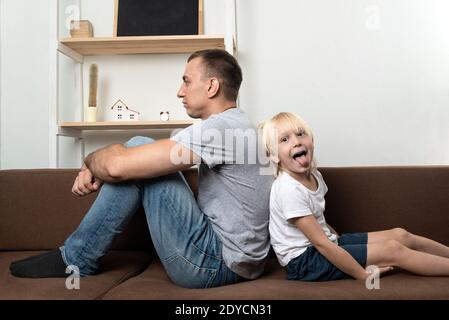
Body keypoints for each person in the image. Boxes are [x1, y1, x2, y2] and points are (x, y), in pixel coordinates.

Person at [10, 49, 273, 288]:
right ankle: (76, 256)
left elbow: (116, 167)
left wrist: (90, 160)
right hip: (236, 261)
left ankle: (76, 258)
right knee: (139, 154)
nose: (180, 91)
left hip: (214, 264)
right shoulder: (238, 124)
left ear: (212, 86)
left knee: (138, 148)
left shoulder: (221, 129)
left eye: (187, 81)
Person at [260, 111, 449, 281]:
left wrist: (345, 244)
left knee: (401, 235)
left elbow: (319, 222)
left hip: (325, 243)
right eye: (284, 139)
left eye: (301, 134)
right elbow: (321, 244)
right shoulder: (288, 189)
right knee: (393, 249)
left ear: (312, 140)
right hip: (304, 262)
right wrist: (361, 273)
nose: (296, 141)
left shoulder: (315, 175)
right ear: (274, 156)